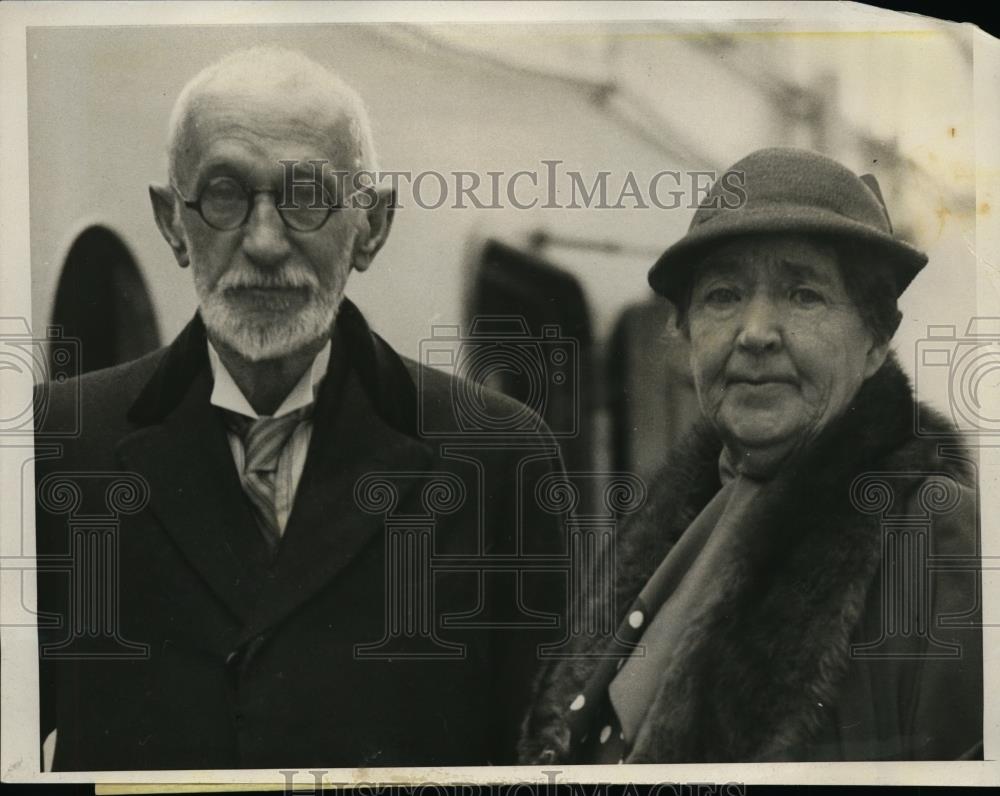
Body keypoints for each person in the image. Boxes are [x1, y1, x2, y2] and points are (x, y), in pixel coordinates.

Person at [34, 47, 564, 770]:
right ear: (171, 222)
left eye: (307, 195)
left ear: (371, 226)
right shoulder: (55, 444)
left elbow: (541, 763)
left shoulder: (499, 457)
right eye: (223, 193)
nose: (263, 242)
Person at [519, 147, 982, 763]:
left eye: (803, 295)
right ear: (684, 337)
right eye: (722, 295)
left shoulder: (931, 528)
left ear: (874, 342)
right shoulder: (682, 515)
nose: (756, 332)